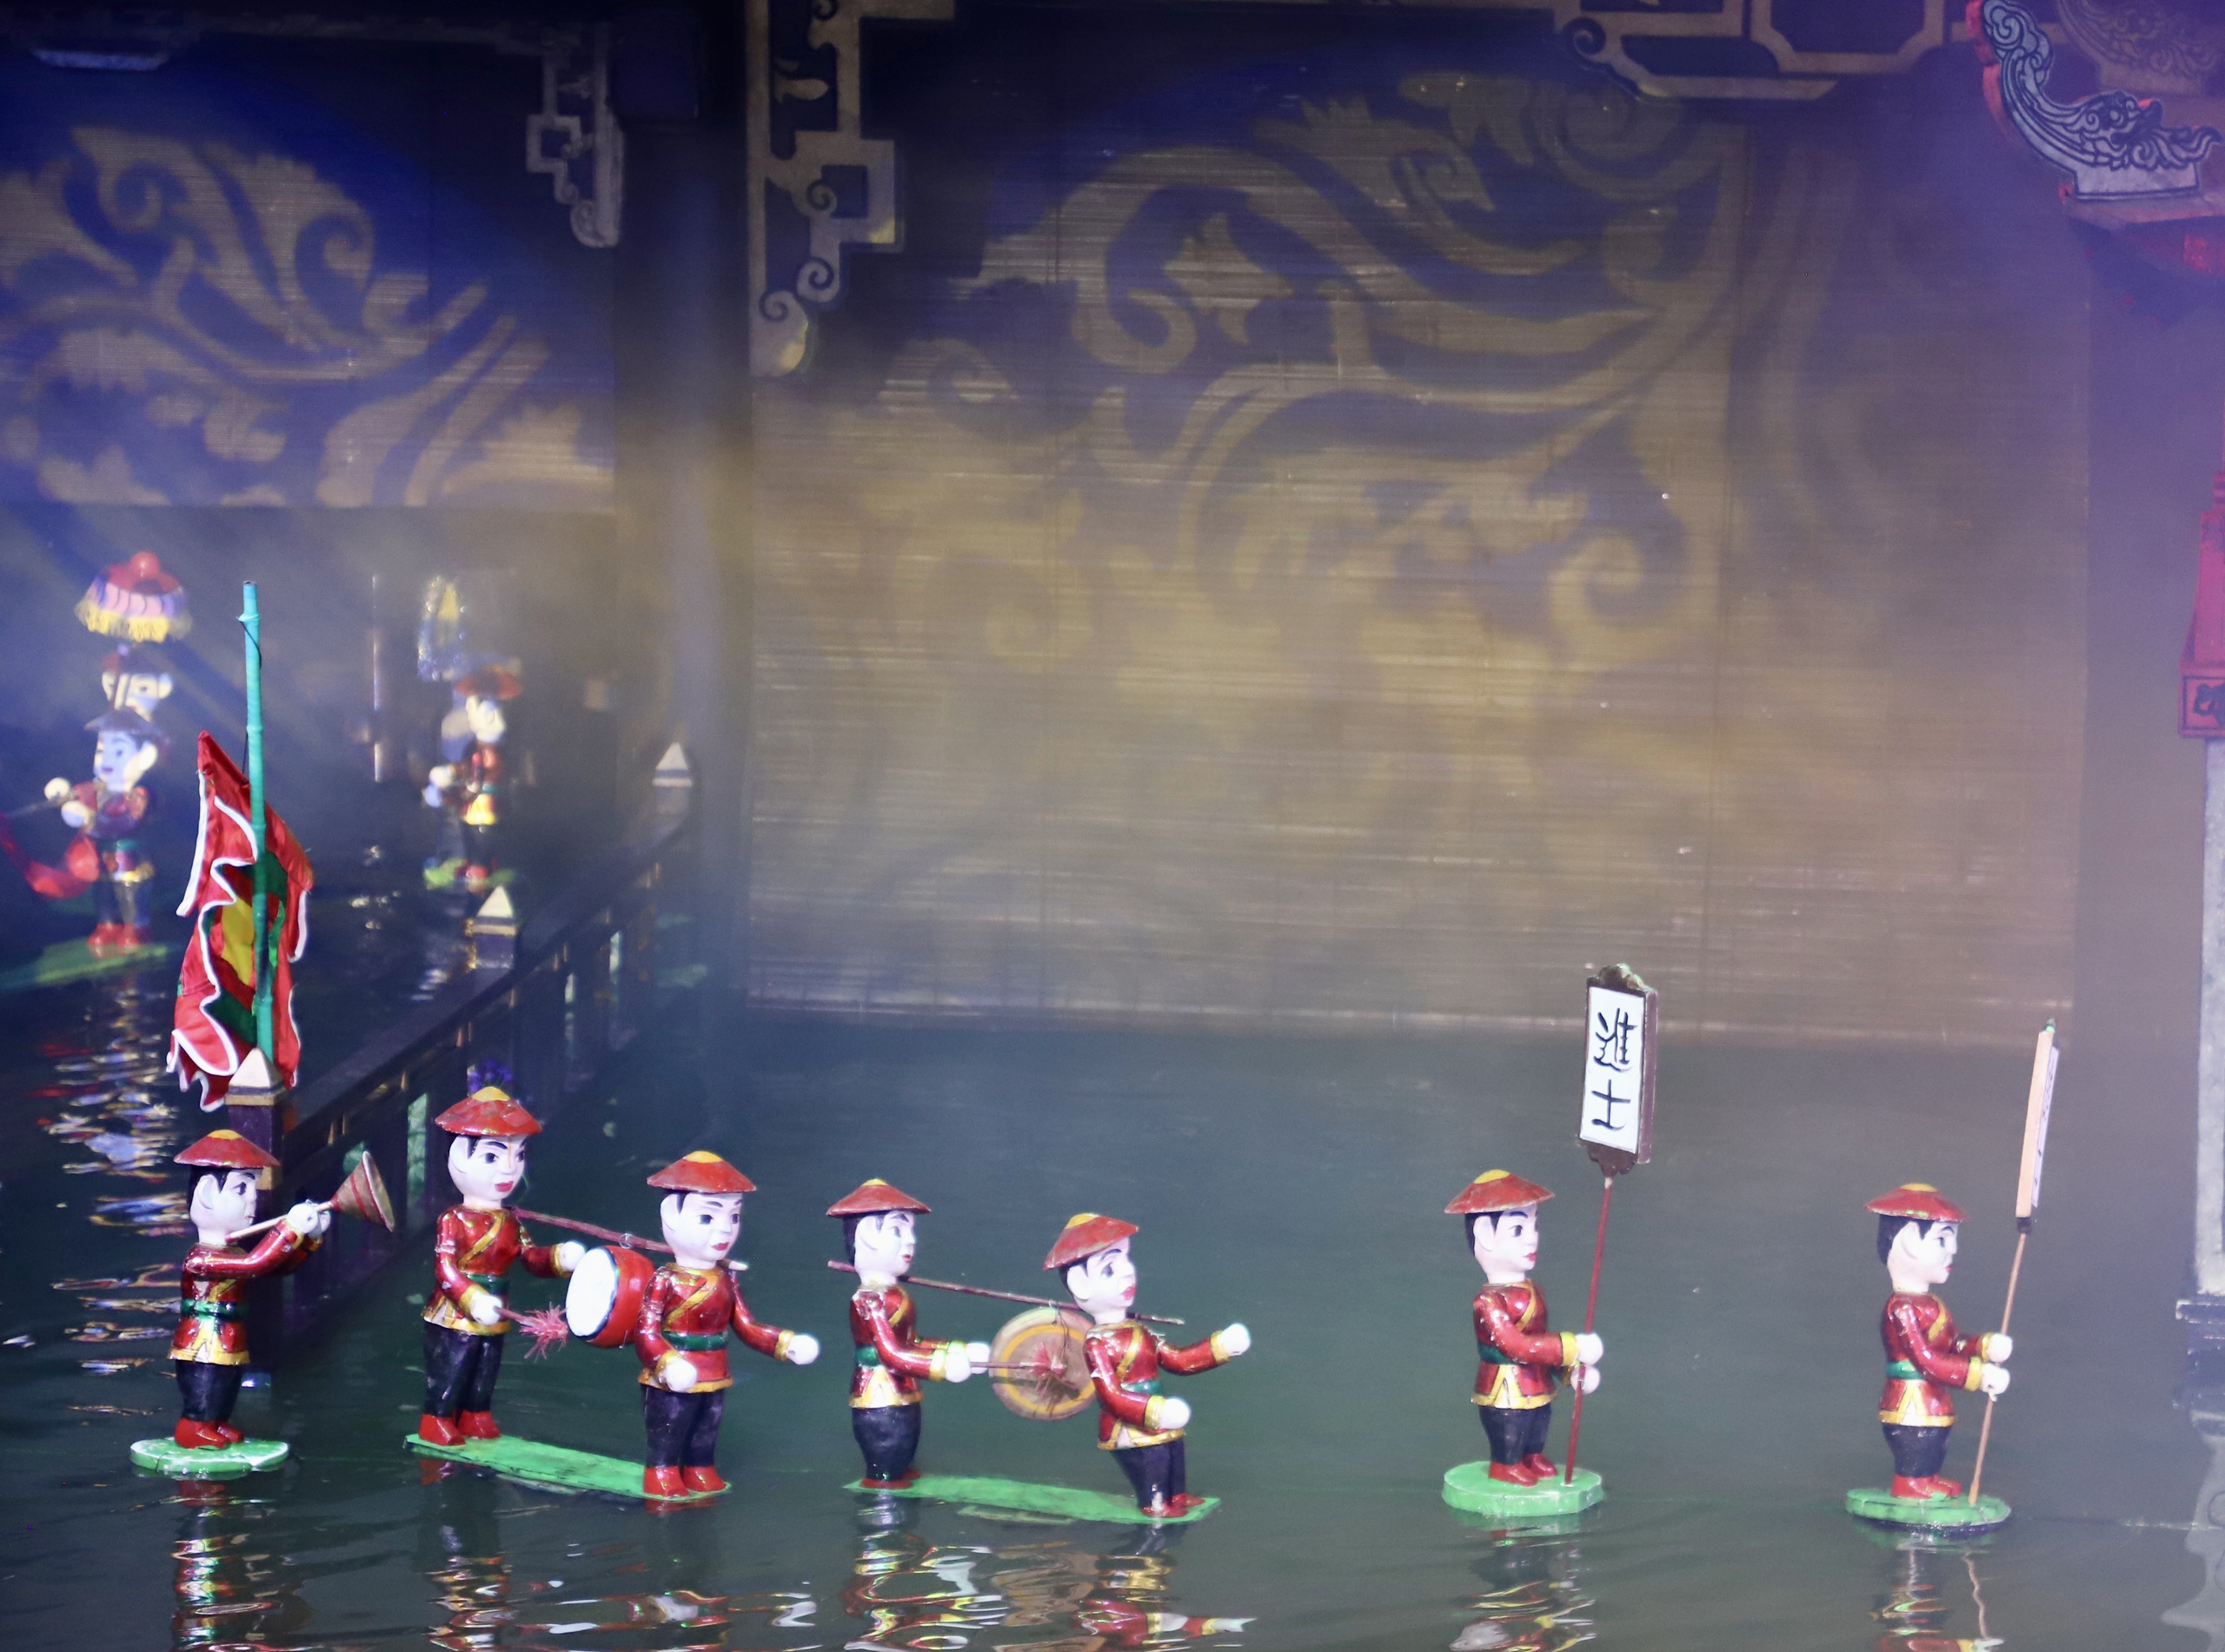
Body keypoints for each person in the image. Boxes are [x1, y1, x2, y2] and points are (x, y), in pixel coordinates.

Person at [634, 1151, 820, 1496]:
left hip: (715, 1371)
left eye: (733, 1217)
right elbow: (645, 1332)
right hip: (672, 1374)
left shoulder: (726, 1279)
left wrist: (785, 1343)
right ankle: (661, 1472)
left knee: (707, 1428)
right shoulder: (664, 1280)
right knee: (670, 1427)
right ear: (671, 1217)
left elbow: (746, 1325)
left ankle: (700, 1470)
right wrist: (668, 1362)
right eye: (708, 1217)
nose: (725, 1229)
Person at [1046, 1213, 1249, 1516]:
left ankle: (1177, 1495)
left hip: (1160, 1417)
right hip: (1128, 1425)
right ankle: (1155, 1505)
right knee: (1154, 1460)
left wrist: (1221, 1346)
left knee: (1174, 1450)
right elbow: (1111, 1396)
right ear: (1080, 1284)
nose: (1128, 1272)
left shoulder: (1141, 1331)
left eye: (1126, 1259)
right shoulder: (1097, 1343)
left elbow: (1178, 1360)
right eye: (1110, 1268)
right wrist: (1155, 1411)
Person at [418, 1084, 582, 1446]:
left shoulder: (510, 1220)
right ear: (460, 1159)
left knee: (486, 1367)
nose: (510, 1169)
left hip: (497, 1310)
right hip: (455, 1313)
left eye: (518, 1155)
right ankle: (437, 1418)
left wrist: (560, 1257)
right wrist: (473, 1298)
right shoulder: (454, 1219)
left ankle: (476, 1414)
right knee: (453, 1366)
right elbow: (445, 1269)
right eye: (493, 1157)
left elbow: (529, 1257)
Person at [827, 1178, 990, 1488]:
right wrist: (941, 1366)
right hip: (878, 1394)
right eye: (897, 1231)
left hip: (903, 1390)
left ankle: (898, 1477)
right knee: (887, 1461)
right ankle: (883, 1493)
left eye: (910, 1231)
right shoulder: (869, 1300)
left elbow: (911, 1342)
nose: (911, 1241)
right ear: (866, 1236)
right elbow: (890, 1354)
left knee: (905, 1447)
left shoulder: (893, 1293)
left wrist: (957, 1349)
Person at [170, 1130, 327, 1448]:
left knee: (226, 1384)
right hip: (202, 1340)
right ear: (207, 1194)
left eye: (253, 1188)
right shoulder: (200, 1258)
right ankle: (193, 1426)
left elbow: (274, 1268)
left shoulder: (234, 1252)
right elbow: (256, 1264)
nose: (253, 1199)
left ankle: (216, 1422)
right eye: (242, 1188)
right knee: (206, 1383)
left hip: (230, 1335)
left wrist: (308, 1239)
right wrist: (289, 1229)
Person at [1446, 1170, 1603, 1487]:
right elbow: (1516, 1345)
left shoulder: (1534, 1290)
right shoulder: (1488, 1302)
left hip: (1537, 1382)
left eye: (1534, 1226)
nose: (1532, 1238)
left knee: (1539, 1418)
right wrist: (1572, 1346)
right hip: (1503, 1387)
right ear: (1485, 1235)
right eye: (1518, 1229)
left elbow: (1540, 1343)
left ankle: (1532, 1456)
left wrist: (1569, 1372)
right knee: (1511, 1423)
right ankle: (1506, 1465)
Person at [1867, 1184, 2011, 1501]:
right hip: (1909, 1402)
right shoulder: (1901, 1308)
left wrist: (1984, 1346)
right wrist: (1979, 1375)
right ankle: (1910, 1485)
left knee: (1935, 1440)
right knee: (1917, 1440)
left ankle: (1926, 1478)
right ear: (1908, 1242)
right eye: (1943, 1239)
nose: (1954, 1250)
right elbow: (1926, 1360)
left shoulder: (1932, 1304)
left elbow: (1952, 1344)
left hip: (1933, 1400)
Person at [49, 707, 165, 953]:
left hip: (129, 858)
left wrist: (90, 818)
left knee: (129, 893)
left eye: (119, 751)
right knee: (103, 893)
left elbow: (125, 823)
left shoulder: (137, 795)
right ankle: (107, 925)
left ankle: (137, 928)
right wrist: (63, 794)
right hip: (101, 857)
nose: (107, 760)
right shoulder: (99, 788)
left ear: (145, 757)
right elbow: (80, 793)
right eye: (102, 751)